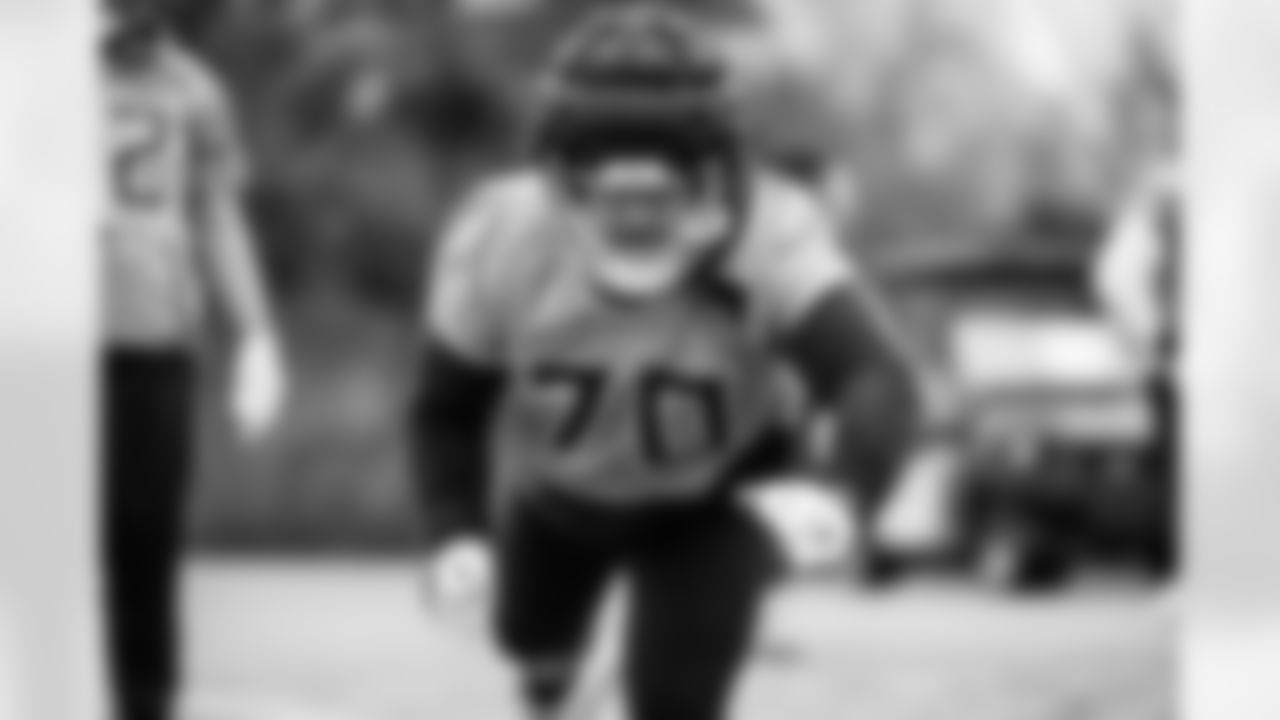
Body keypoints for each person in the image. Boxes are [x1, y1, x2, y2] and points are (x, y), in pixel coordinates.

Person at [411, 6, 923, 720]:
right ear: (557, 170)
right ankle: (553, 675)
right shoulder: (502, 236)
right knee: (530, 642)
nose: (636, 212)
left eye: (666, 176)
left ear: (716, 166)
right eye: (606, 177)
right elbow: (446, 409)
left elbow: (880, 378)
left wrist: (842, 490)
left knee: (676, 702)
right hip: (560, 497)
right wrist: (452, 527)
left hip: (709, 501)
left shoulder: (769, 233)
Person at [101, 0, 287, 717]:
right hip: (39, 346)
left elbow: (216, 213)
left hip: (153, 339)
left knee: (144, 543)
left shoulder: (195, 90)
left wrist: (257, 334)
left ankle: (144, 704)